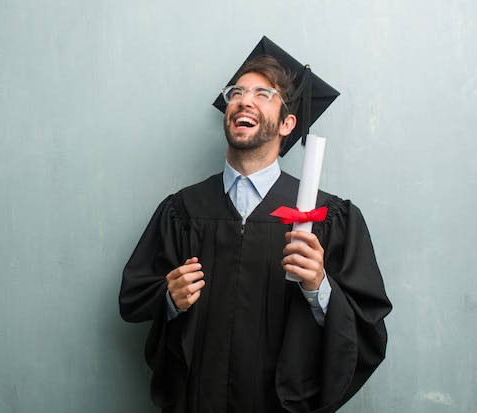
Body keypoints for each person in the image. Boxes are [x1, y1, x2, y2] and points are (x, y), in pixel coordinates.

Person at [119, 38, 392, 413]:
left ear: (287, 123)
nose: (244, 100)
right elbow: (134, 298)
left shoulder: (327, 217)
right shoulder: (183, 210)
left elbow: (367, 328)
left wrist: (319, 288)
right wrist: (169, 297)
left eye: (263, 93)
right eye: (236, 92)